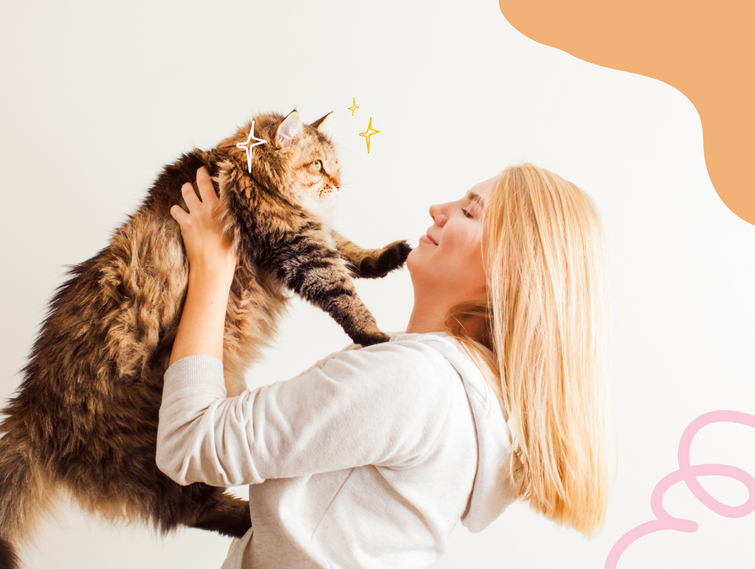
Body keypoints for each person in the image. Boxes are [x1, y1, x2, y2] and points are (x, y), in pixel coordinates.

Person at [159, 163, 610, 569]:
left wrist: (213, 268)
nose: (439, 209)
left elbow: (189, 442)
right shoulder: (464, 397)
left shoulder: (415, 383)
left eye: (470, 213)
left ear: (506, 268)